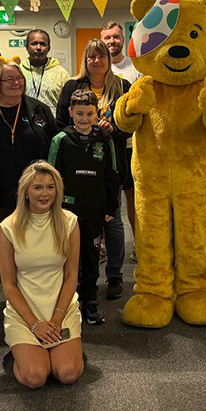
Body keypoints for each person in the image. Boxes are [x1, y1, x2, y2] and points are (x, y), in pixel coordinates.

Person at [55, 39, 130, 300]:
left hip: (109, 164)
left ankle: (114, 275)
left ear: (109, 61)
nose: (97, 61)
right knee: (76, 225)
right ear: (84, 60)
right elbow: (61, 123)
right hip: (76, 169)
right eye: (91, 57)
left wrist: (114, 130)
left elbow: (132, 123)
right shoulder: (72, 87)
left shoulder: (122, 87)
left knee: (112, 221)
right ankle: (75, 279)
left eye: (102, 57)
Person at [0, 161, 83, 389]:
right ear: (26, 191)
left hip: (61, 309)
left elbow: (71, 277)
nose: (45, 194)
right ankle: (22, 353)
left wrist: (57, 319)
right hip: (25, 313)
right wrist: (35, 325)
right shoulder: (8, 228)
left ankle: (55, 352)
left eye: (50, 187)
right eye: (38, 188)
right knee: (36, 377)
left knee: (67, 373)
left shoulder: (69, 222)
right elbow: (8, 286)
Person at [48, 90, 120, 325]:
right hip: (67, 211)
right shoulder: (61, 140)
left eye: (90, 113)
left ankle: (89, 299)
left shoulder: (105, 140)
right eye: (79, 113)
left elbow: (112, 175)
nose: (84, 118)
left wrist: (111, 205)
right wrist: (52, 207)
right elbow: (51, 177)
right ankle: (66, 300)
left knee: (91, 256)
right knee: (66, 256)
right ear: (70, 113)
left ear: (96, 113)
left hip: (94, 210)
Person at [0, 57, 57, 233]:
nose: (16, 83)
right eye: (9, 79)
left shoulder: (39, 110)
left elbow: (54, 149)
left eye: (19, 78)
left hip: (35, 193)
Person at [100, 20, 139, 252]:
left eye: (116, 37)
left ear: (123, 39)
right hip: (105, 147)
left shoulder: (136, 68)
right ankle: (103, 245)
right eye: (108, 38)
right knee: (106, 201)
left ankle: (139, 245)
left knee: (135, 200)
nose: (112, 41)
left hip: (132, 146)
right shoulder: (96, 68)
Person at [19, 29, 71, 116]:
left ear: (49, 48)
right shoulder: (18, 71)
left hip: (53, 126)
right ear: (27, 47)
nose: (38, 48)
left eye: (43, 44)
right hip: (24, 124)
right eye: (34, 43)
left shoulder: (61, 73)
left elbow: (68, 104)